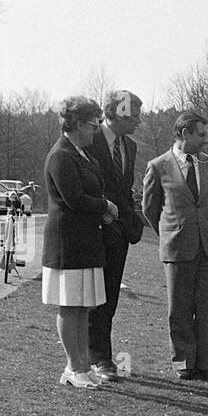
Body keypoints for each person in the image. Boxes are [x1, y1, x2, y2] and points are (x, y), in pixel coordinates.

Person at [41, 96, 119, 390]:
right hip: (68, 243)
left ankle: (81, 365)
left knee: (83, 307)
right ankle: (75, 367)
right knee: (70, 306)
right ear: (74, 124)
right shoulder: (61, 155)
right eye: (91, 124)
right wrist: (105, 206)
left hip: (86, 241)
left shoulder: (83, 155)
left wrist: (104, 211)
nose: (95, 130)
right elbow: (73, 199)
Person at [142, 110, 208, 382]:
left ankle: (204, 366)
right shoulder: (159, 166)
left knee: (206, 309)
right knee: (179, 309)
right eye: (201, 134)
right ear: (185, 133)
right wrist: (170, 233)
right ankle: (183, 364)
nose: (206, 139)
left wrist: (207, 230)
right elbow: (150, 209)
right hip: (177, 248)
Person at [86, 89, 144, 381]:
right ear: (119, 113)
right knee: (92, 295)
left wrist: (130, 219)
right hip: (93, 230)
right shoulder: (88, 140)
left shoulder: (129, 147)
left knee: (109, 296)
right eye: (134, 115)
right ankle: (97, 357)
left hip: (119, 233)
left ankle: (100, 355)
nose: (138, 122)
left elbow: (124, 188)